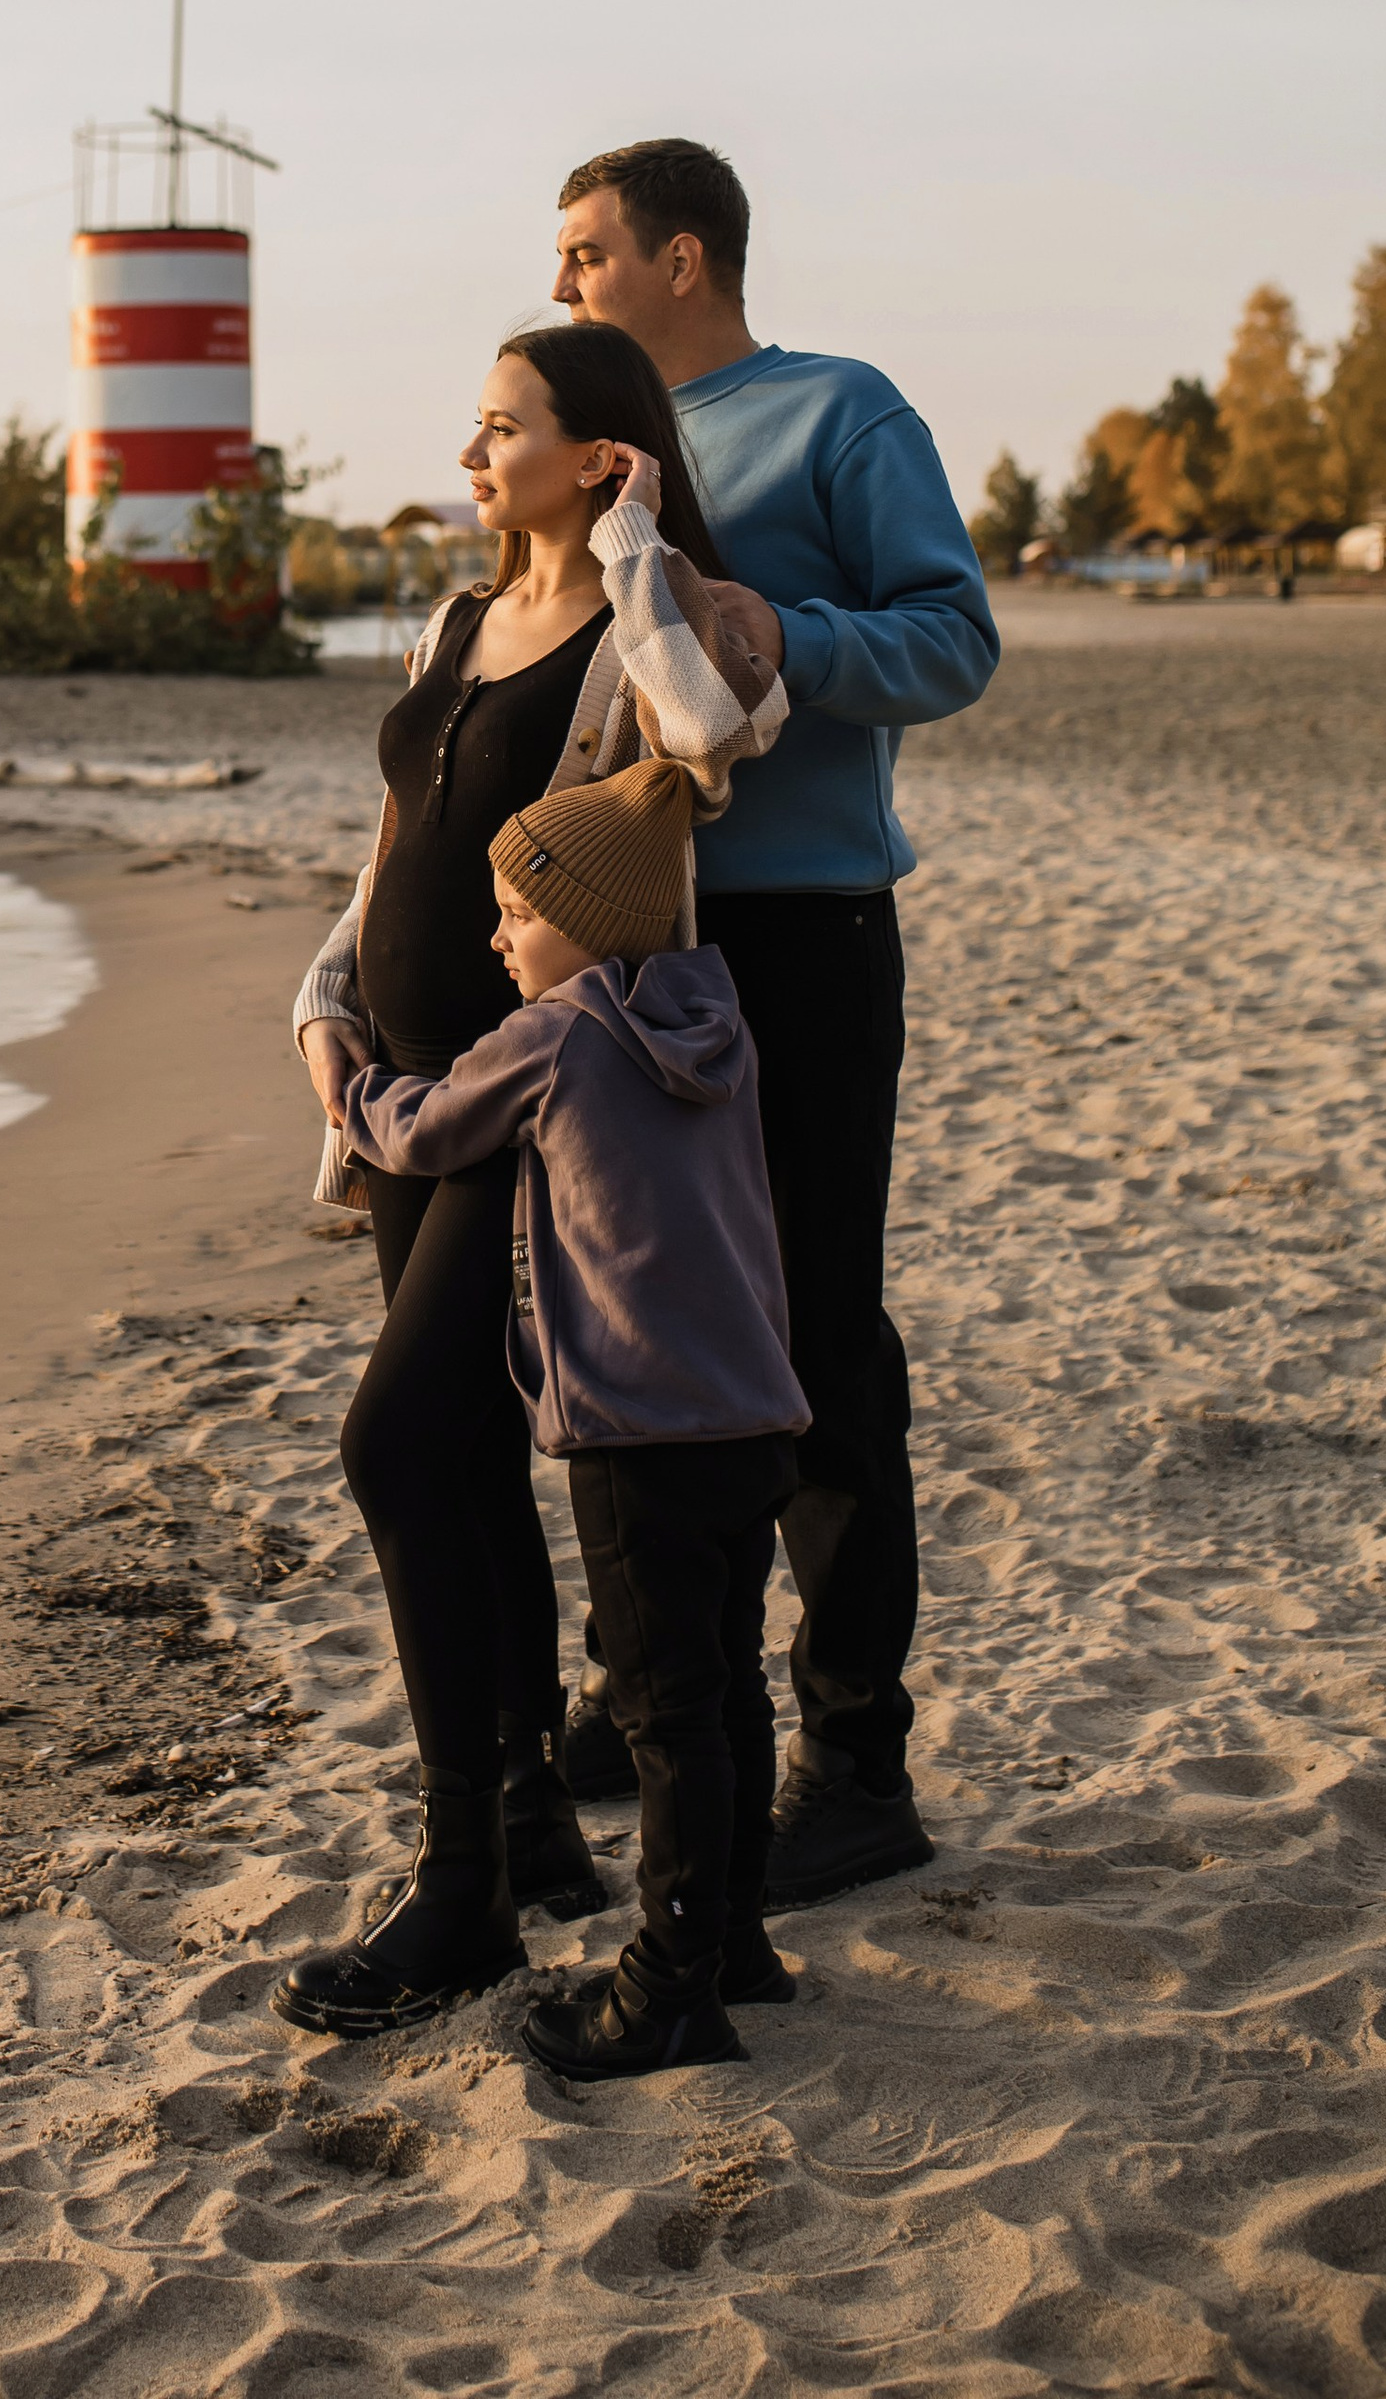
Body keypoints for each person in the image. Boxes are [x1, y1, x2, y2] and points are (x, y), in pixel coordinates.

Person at [281, 320, 783, 2035]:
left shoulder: (669, 624)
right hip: (404, 1088)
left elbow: (708, 745)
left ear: (601, 452)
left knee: (394, 1443)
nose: (472, 454)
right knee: (463, 1464)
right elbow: (400, 846)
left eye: (504, 427)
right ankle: (517, 1825)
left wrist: (636, 545)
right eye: (477, 423)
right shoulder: (453, 622)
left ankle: (461, 1889)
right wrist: (327, 998)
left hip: (531, 1105)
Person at [551, 137, 998, 1908]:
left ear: (683, 258)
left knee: (816, 1343)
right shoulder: (594, 441)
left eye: (589, 252)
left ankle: (857, 1760)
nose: (566, 281)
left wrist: (780, 637)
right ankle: (651, 1691)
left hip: (803, 937)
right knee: (643, 1335)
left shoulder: (837, 412)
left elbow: (954, 642)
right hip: (626, 948)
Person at [279, 768, 807, 2074]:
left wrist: (350, 1087)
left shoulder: (560, 1037)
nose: (497, 936)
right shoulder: (717, 1020)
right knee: (727, 1687)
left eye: (518, 912)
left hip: (636, 1423)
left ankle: (670, 1989)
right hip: (752, 1413)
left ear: (590, 920)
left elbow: (429, 1129)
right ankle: (735, 1942)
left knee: (662, 1716)